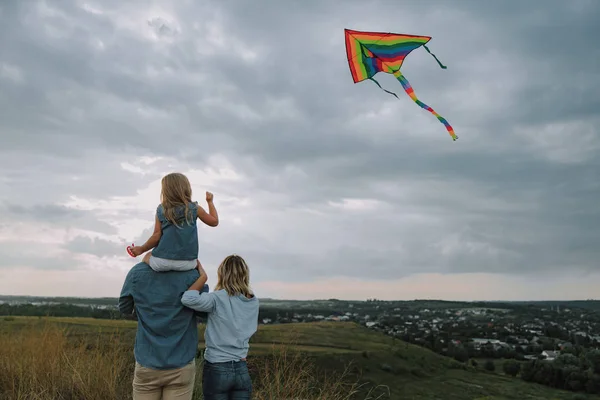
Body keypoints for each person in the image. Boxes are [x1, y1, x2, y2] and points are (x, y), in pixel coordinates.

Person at [119, 260, 209, 400]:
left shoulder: (137, 271)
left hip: (147, 362)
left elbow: (124, 308)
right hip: (181, 364)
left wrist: (146, 312)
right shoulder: (192, 275)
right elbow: (204, 312)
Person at [181, 255, 259, 400]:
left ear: (222, 273)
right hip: (241, 367)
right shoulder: (253, 301)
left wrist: (203, 277)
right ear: (245, 274)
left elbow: (187, 299)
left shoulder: (217, 298)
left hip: (217, 366)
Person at [128, 172, 219, 272]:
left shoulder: (161, 210)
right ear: (186, 189)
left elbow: (156, 236)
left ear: (165, 191)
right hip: (187, 263)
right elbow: (214, 222)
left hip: (161, 262)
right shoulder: (194, 209)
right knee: (197, 263)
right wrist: (210, 202)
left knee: (147, 256)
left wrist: (141, 249)